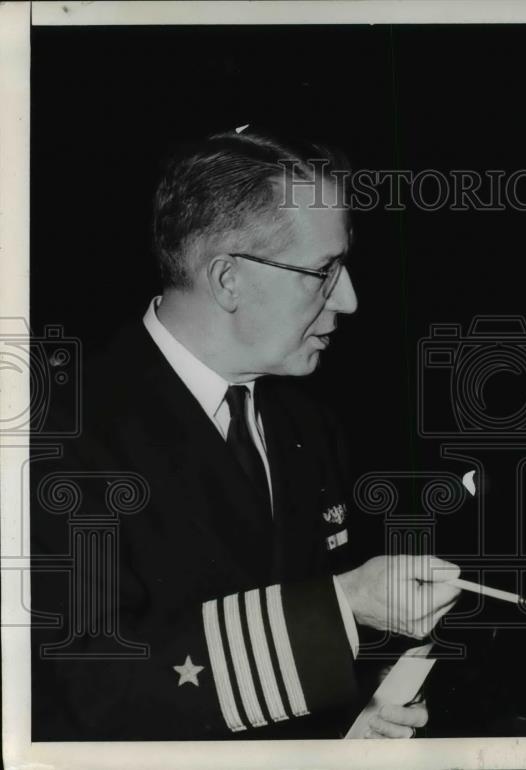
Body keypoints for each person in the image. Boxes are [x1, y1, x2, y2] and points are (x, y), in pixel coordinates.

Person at [31, 128, 460, 740]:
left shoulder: (307, 423)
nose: (351, 299)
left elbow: (287, 657)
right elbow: (95, 688)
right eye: (323, 271)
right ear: (228, 278)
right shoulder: (60, 436)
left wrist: (354, 719)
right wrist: (342, 603)